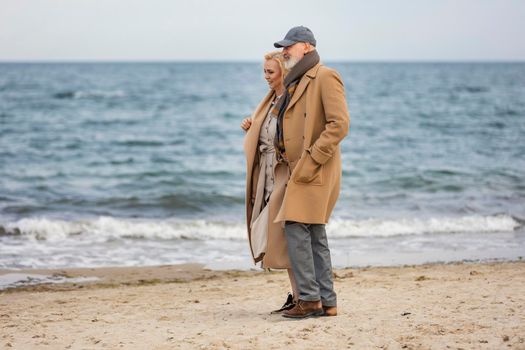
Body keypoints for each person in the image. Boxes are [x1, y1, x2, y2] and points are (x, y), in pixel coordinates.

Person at [272, 26, 350, 319]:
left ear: (306, 46)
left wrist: (312, 158)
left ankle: (309, 300)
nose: (284, 51)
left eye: (288, 46)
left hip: (314, 168)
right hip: (299, 169)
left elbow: (339, 124)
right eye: (282, 47)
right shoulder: (298, 79)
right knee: (314, 232)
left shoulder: (325, 76)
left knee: (295, 227)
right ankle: (327, 302)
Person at [240, 51, 299, 313]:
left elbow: (290, 137)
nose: (265, 76)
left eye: (270, 72)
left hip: (281, 175)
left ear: (283, 72)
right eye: (264, 71)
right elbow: (267, 132)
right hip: (265, 174)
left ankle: (303, 296)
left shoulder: (290, 100)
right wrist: (252, 126)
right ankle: (299, 295)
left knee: (284, 236)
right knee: (277, 235)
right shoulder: (270, 100)